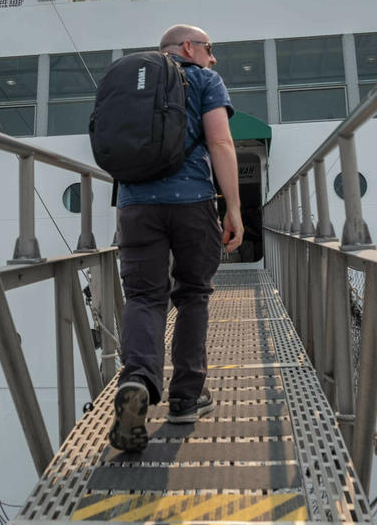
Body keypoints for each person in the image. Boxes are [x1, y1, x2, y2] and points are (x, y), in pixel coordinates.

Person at [108, 24, 244, 453]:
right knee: (193, 295)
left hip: (134, 204)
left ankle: (138, 380)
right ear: (188, 47)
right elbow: (220, 141)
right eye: (209, 48)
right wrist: (234, 208)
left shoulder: (130, 82)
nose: (213, 57)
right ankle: (186, 398)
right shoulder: (203, 79)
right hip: (191, 201)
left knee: (145, 297)